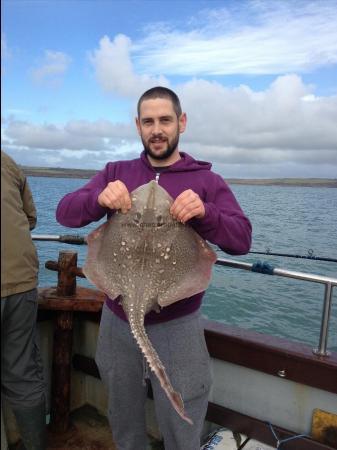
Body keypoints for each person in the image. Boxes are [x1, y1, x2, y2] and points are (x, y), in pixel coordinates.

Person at [56, 87, 252, 450]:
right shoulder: (117, 172)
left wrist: (206, 213)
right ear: (138, 126)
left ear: (182, 122)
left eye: (165, 120)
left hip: (178, 324)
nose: (157, 129)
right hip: (118, 319)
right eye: (148, 121)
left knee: (182, 419)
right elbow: (65, 213)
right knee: (122, 414)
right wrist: (98, 198)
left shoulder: (207, 181)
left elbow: (241, 240)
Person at [1, 150, 46, 450]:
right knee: (22, 374)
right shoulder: (7, 162)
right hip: (18, 280)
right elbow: (30, 218)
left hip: (17, 279)